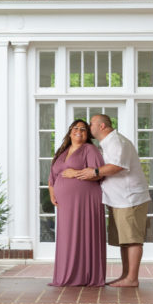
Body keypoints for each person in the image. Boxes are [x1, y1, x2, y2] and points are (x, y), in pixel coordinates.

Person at [71, 114, 151, 287]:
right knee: (125, 240)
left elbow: (117, 166)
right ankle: (126, 276)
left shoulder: (117, 142)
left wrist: (94, 172)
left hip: (130, 198)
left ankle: (132, 278)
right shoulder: (106, 143)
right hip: (119, 199)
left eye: (90, 124)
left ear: (101, 126)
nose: (88, 126)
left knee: (133, 239)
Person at [47, 119, 106, 287]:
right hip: (66, 202)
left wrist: (76, 173)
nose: (79, 131)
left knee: (84, 233)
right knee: (67, 235)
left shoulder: (90, 149)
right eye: (75, 128)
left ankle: (85, 275)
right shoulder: (62, 151)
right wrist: (52, 192)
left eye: (83, 129)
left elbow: (98, 174)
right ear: (70, 131)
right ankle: (67, 274)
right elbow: (53, 175)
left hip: (86, 199)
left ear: (87, 135)